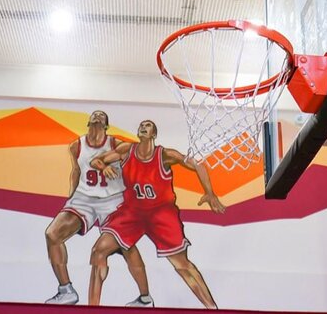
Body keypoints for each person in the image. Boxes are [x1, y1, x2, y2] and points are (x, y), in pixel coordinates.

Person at [88, 119, 226, 309]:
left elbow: (198, 165)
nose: (143, 127)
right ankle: (92, 308)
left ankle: (212, 308)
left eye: (148, 126)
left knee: (182, 264)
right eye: (141, 125)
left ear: (154, 134)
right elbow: (96, 161)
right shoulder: (126, 150)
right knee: (98, 250)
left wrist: (210, 193)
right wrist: (104, 167)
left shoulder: (165, 155)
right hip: (133, 212)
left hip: (161, 214)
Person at [44, 110, 153, 307]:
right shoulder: (76, 146)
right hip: (84, 198)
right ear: (89, 122)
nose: (97, 116)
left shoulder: (115, 145)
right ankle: (66, 290)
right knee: (52, 234)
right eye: (95, 115)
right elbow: (76, 171)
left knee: (127, 247)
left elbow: (135, 163)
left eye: (102, 116)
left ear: (106, 125)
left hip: (113, 199)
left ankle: (145, 297)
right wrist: (70, 197)